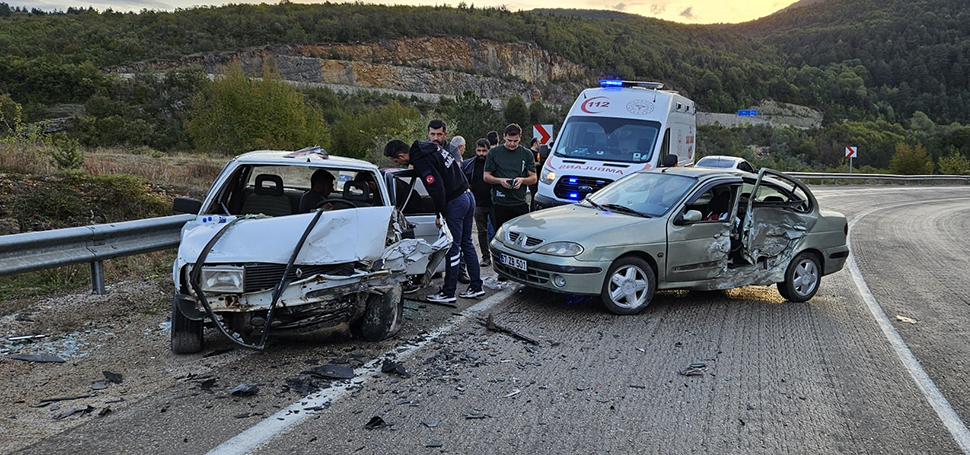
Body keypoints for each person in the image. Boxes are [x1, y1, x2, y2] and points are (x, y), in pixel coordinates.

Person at [384, 139, 484, 303]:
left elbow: (436, 187)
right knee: (466, 243)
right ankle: (476, 286)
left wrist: (440, 214)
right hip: (467, 196)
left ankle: (448, 292)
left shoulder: (421, 159)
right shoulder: (429, 147)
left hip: (455, 202)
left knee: (452, 246)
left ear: (401, 155)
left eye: (396, 161)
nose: (400, 163)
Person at [484, 123, 537, 230]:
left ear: (520, 138)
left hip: (519, 202)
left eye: (515, 141)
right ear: (504, 137)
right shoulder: (494, 153)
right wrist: (500, 181)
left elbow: (533, 178)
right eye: (509, 140)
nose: (512, 144)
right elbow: (486, 176)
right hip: (500, 203)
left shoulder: (526, 153)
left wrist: (522, 180)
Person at [461, 138, 494, 267]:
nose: (481, 154)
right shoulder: (469, 165)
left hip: (493, 202)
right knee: (482, 231)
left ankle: (498, 257)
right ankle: (486, 257)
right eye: (479, 150)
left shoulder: (493, 163)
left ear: (488, 150)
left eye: (484, 151)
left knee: (497, 231)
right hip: (478, 203)